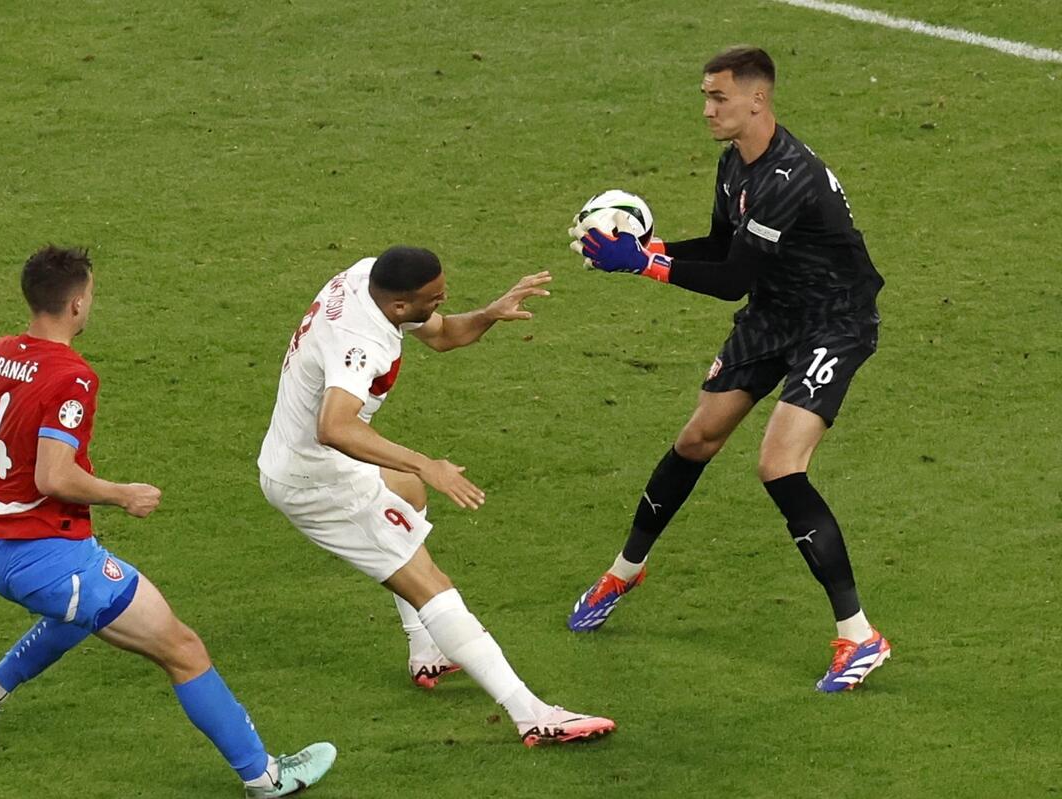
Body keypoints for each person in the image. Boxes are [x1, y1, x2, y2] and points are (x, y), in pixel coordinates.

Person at [0, 245, 335, 797]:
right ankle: (265, 776)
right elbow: (55, 478)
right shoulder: (71, 377)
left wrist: (17, 451)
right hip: (50, 556)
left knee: (81, 615)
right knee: (184, 649)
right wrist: (120, 494)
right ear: (76, 304)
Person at [566, 46, 891, 692]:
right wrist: (645, 247)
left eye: (718, 98)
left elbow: (730, 280)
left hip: (833, 319)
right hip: (774, 313)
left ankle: (859, 635)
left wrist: (645, 265)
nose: (709, 109)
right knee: (697, 437)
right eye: (707, 97)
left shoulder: (789, 177)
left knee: (779, 463)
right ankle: (625, 570)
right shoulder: (734, 163)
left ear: (756, 100)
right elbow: (723, 248)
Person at [258, 246, 615, 745]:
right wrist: (430, 462)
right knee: (432, 583)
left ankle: (427, 651)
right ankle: (531, 713)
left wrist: (489, 314)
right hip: (320, 481)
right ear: (401, 306)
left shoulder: (367, 278)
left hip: (295, 458)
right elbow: (334, 427)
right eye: (435, 296)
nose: (444, 299)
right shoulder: (360, 343)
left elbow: (445, 335)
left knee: (406, 487)